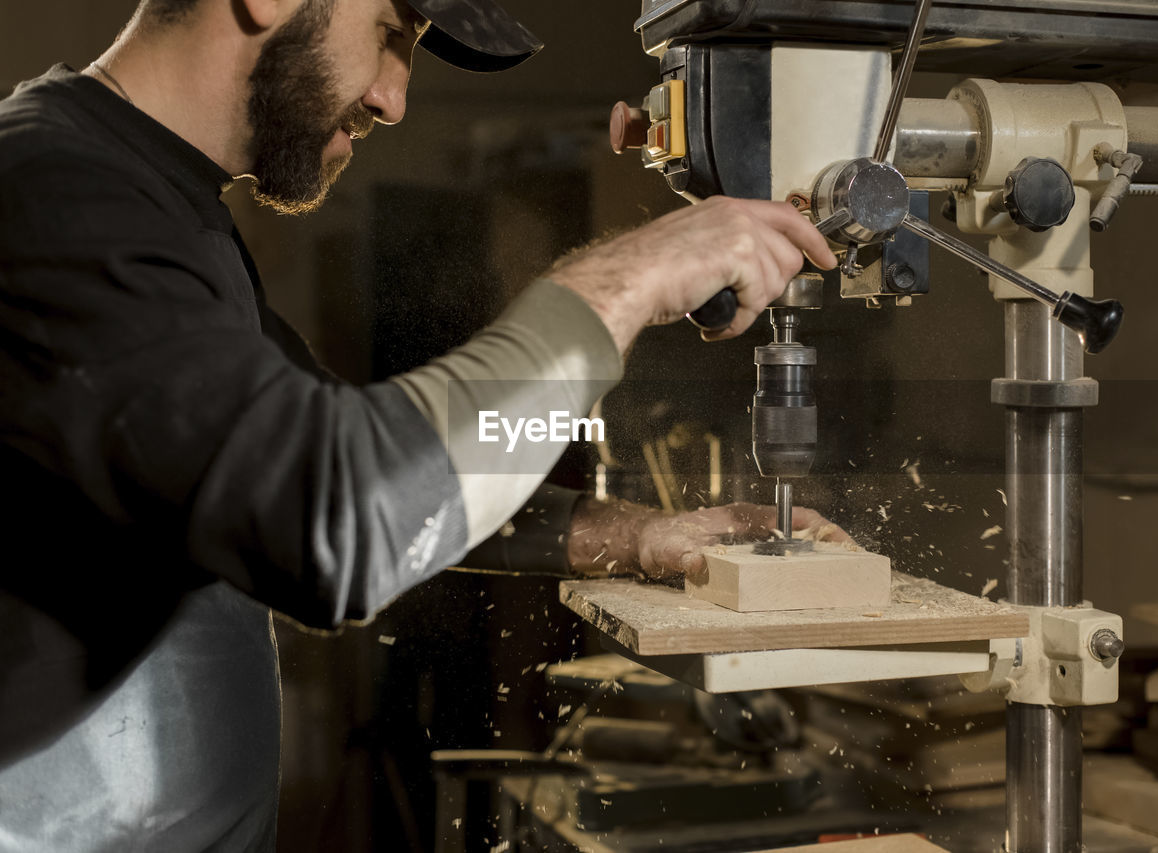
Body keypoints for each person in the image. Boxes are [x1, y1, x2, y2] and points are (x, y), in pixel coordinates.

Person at [0, 0, 845, 848]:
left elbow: (407, 480)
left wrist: (644, 535)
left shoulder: (163, 207)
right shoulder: (50, 190)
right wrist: (624, 280)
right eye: (391, 37)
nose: (394, 99)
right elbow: (340, 513)